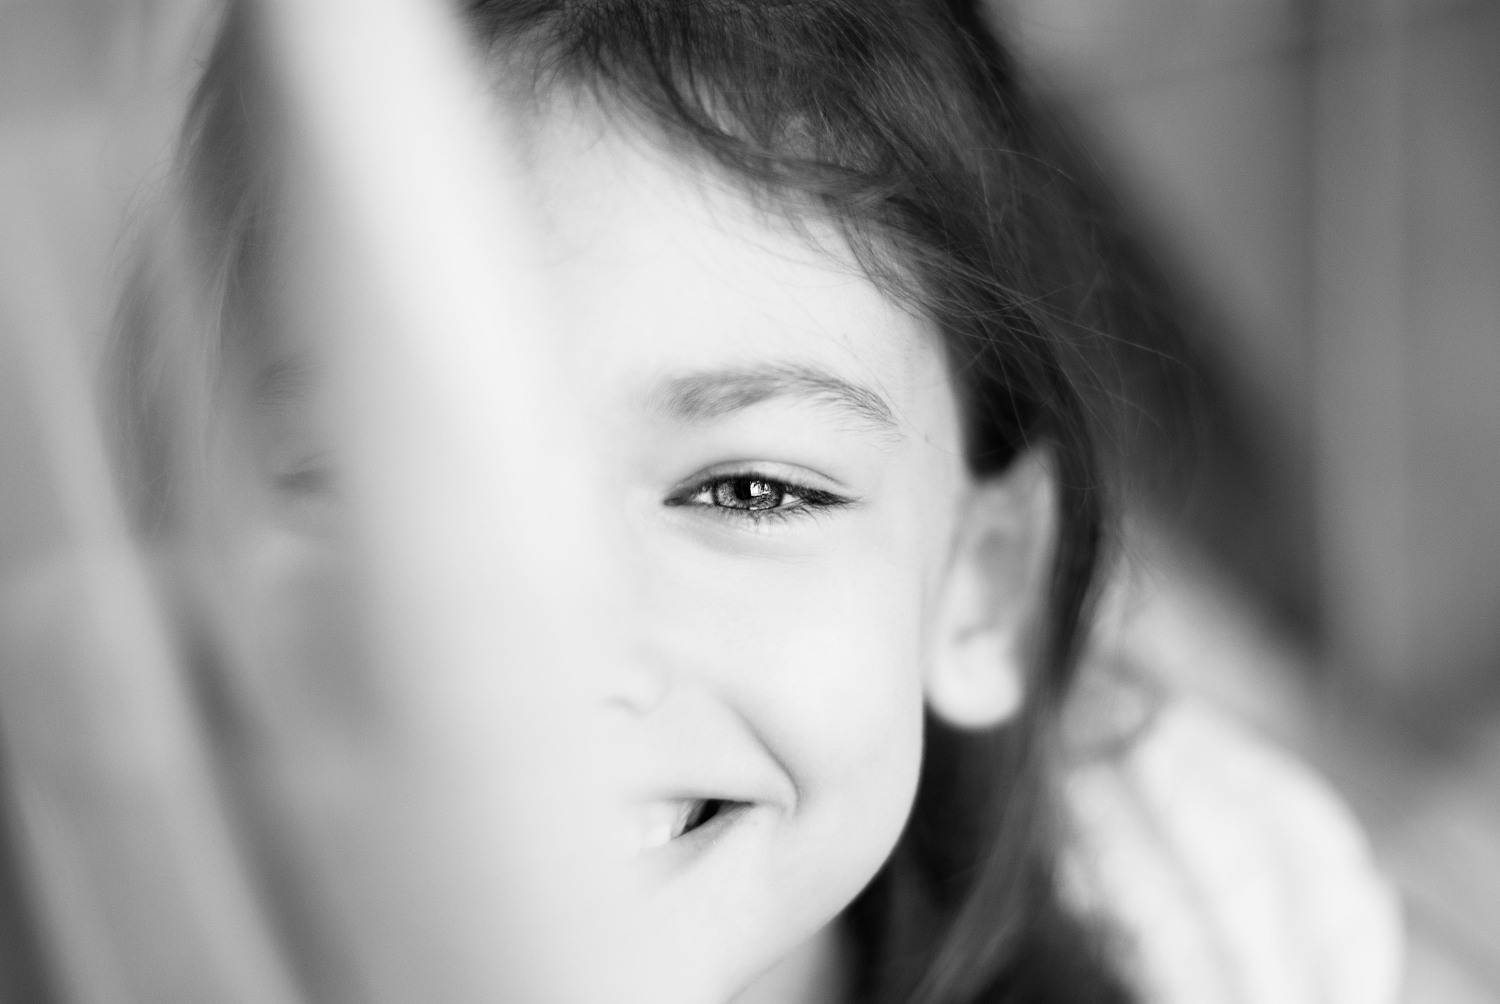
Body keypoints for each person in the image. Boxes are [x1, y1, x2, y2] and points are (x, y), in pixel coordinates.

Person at [90, 1, 1397, 1002]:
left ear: (982, 586)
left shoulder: (1211, 905)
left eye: (749, 490)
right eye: (375, 487)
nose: (548, 661)